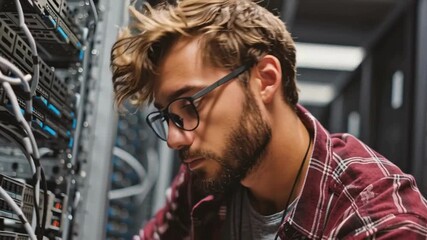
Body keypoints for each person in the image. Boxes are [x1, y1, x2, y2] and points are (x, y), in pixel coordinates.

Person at [110, 0, 427, 239]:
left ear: (265, 79)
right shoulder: (211, 171)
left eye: (189, 105)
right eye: (170, 117)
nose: (175, 138)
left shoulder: (380, 224)